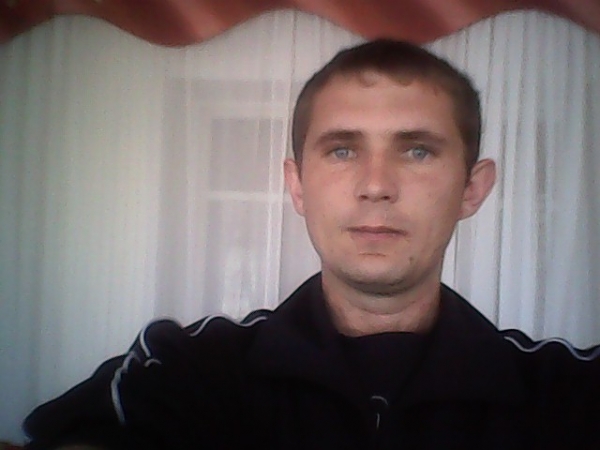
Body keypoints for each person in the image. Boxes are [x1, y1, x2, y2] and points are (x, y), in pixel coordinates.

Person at [23, 39, 599, 449]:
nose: (376, 185)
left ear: (471, 189)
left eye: (417, 150)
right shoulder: (183, 371)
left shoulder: (570, 395)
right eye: (343, 150)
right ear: (297, 187)